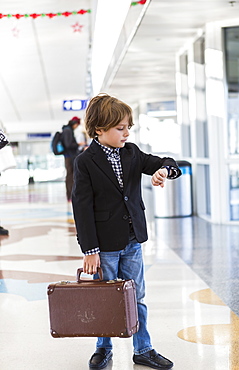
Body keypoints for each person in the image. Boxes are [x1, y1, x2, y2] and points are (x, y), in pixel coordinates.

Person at [72, 94, 182, 370]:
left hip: (133, 241)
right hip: (104, 246)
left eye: (128, 127)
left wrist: (164, 172)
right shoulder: (85, 162)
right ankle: (103, 347)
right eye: (121, 128)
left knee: (137, 296)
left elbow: (165, 161)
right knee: (104, 299)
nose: (127, 132)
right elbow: (82, 209)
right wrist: (90, 251)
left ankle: (143, 348)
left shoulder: (132, 152)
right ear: (100, 129)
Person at [62, 116, 84, 202]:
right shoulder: (68, 130)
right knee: (71, 176)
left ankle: (70, 195)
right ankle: (70, 195)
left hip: (69, 156)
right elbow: (69, 144)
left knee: (70, 175)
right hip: (69, 156)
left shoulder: (66, 130)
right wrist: (78, 144)